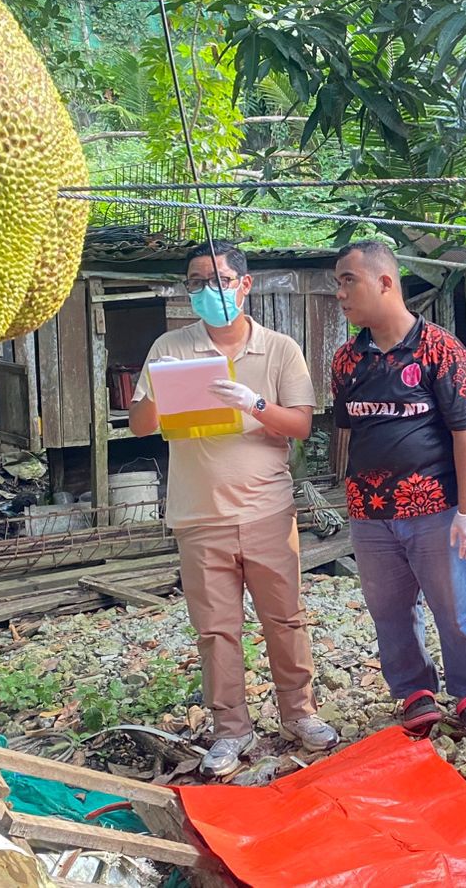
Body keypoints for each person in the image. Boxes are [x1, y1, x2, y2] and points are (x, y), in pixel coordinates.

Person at [130, 241, 335, 775]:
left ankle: (300, 713)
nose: (208, 291)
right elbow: (140, 425)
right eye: (196, 282)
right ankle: (231, 728)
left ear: (245, 284)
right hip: (199, 514)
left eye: (219, 280)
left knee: (284, 618)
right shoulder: (170, 346)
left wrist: (255, 404)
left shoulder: (280, 348)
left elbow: (301, 425)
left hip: (267, 508)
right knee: (216, 630)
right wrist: (160, 388)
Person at [330, 241, 466, 738]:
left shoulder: (440, 350)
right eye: (338, 283)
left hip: (435, 507)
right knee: (388, 610)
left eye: (348, 280)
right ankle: (414, 693)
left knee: (454, 606)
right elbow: (348, 430)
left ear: (385, 282)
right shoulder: (347, 361)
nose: (340, 293)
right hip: (370, 513)